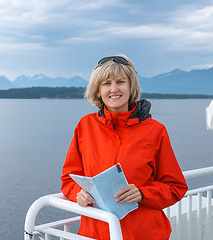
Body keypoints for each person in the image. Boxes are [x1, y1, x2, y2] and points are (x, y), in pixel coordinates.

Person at [61, 54, 188, 240]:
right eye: (106, 83)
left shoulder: (155, 131)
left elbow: (176, 187)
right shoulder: (85, 126)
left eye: (120, 82)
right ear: (97, 91)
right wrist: (78, 194)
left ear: (131, 87)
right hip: (94, 233)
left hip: (144, 234)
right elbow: (68, 179)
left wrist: (143, 193)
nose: (114, 89)